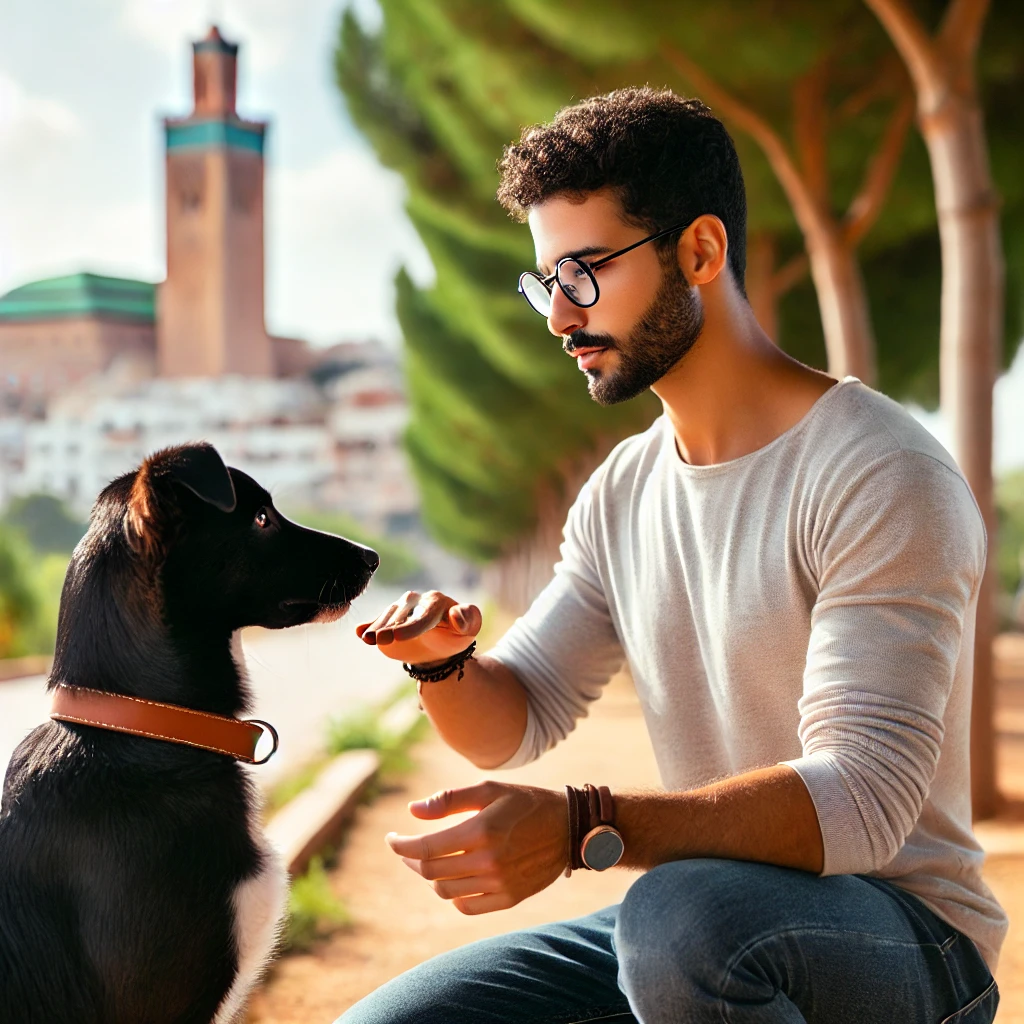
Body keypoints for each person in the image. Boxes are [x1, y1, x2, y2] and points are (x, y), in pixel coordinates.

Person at [337, 88, 1006, 1024]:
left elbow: (864, 801)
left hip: (906, 939)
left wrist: (581, 828)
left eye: (583, 273)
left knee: (680, 914)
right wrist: (444, 666)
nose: (558, 318)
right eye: (543, 282)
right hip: (699, 924)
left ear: (699, 251)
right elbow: (516, 718)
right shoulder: (622, 491)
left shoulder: (878, 470)